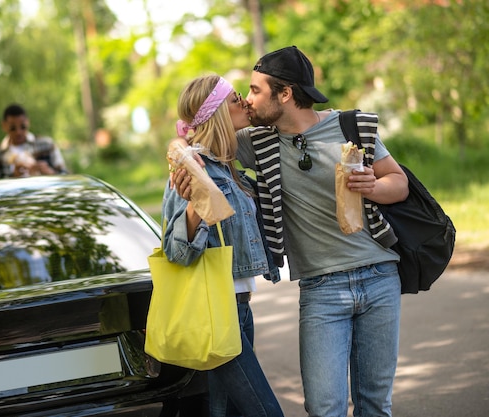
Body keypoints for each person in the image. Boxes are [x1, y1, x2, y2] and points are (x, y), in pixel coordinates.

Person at [172, 46, 409, 417]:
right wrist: (178, 149)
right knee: (323, 407)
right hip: (321, 290)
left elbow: (399, 182)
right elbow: (201, 138)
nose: (248, 101)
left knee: (375, 405)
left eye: (255, 90)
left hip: (380, 276)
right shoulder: (257, 142)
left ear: (285, 94)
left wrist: (373, 187)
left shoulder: (352, 127)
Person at [163, 74, 285, 417]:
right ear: (216, 113)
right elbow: (176, 252)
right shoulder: (191, 170)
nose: (244, 102)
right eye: (234, 99)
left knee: (225, 412)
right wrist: (193, 207)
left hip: (240, 307)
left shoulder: (228, 169)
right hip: (216, 310)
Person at [0, 103, 68, 179]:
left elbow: (65, 177)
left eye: (23, 127)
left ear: (28, 122)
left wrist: (49, 172)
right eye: (13, 128)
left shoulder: (47, 145)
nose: (18, 132)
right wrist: (13, 176)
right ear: (4, 126)